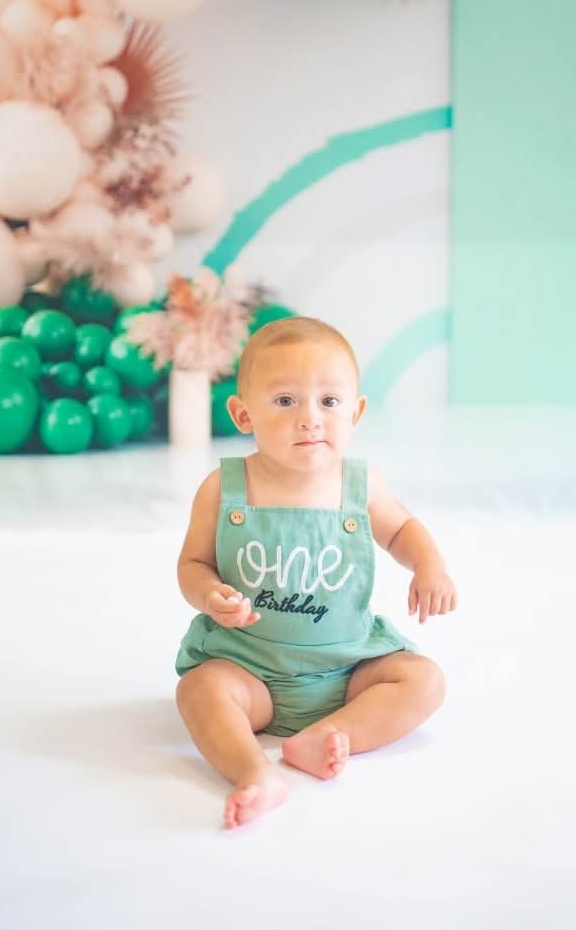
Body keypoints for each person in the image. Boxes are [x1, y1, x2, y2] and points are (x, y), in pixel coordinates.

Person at [174, 316, 457, 829]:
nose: (311, 419)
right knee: (199, 690)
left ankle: (328, 735)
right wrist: (209, 593)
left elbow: (401, 530)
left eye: (329, 402)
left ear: (356, 412)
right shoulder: (223, 489)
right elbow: (192, 565)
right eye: (285, 401)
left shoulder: (360, 483)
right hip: (250, 669)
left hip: (347, 670)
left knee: (424, 680)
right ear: (243, 414)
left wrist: (429, 566)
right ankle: (254, 772)